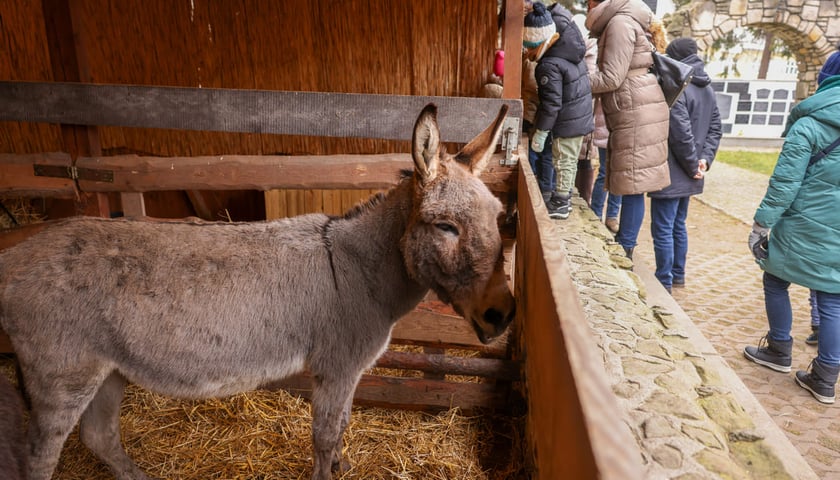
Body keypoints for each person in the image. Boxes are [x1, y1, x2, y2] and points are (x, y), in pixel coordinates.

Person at [743, 50, 840, 404]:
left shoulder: (809, 123)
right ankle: (826, 377)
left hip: (802, 223)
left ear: (827, 79)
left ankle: (779, 350)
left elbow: (785, 183)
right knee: (834, 299)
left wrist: (760, 225)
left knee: (774, 278)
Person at [585, 0, 670, 258]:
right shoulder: (622, 20)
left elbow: (612, 77)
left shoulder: (620, 23)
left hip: (635, 107)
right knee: (630, 179)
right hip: (636, 104)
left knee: (634, 182)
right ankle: (625, 243)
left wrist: (574, 81)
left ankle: (626, 248)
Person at [648, 38, 722, 293]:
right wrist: (705, 160)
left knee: (664, 228)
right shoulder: (707, 87)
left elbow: (680, 132)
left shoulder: (677, 85)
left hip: (673, 170)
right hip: (693, 172)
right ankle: (678, 274)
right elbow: (715, 129)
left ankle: (664, 280)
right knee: (678, 225)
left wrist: (693, 164)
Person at [524, 2, 594, 220]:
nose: (527, 51)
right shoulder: (568, 51)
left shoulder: (549, 65)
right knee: (568, 159)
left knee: (563, 159)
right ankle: (562, 199)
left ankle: (561, 203)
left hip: (568, 119)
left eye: (529, 46)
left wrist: (541, 131)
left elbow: (551, 103)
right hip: (578, 116)